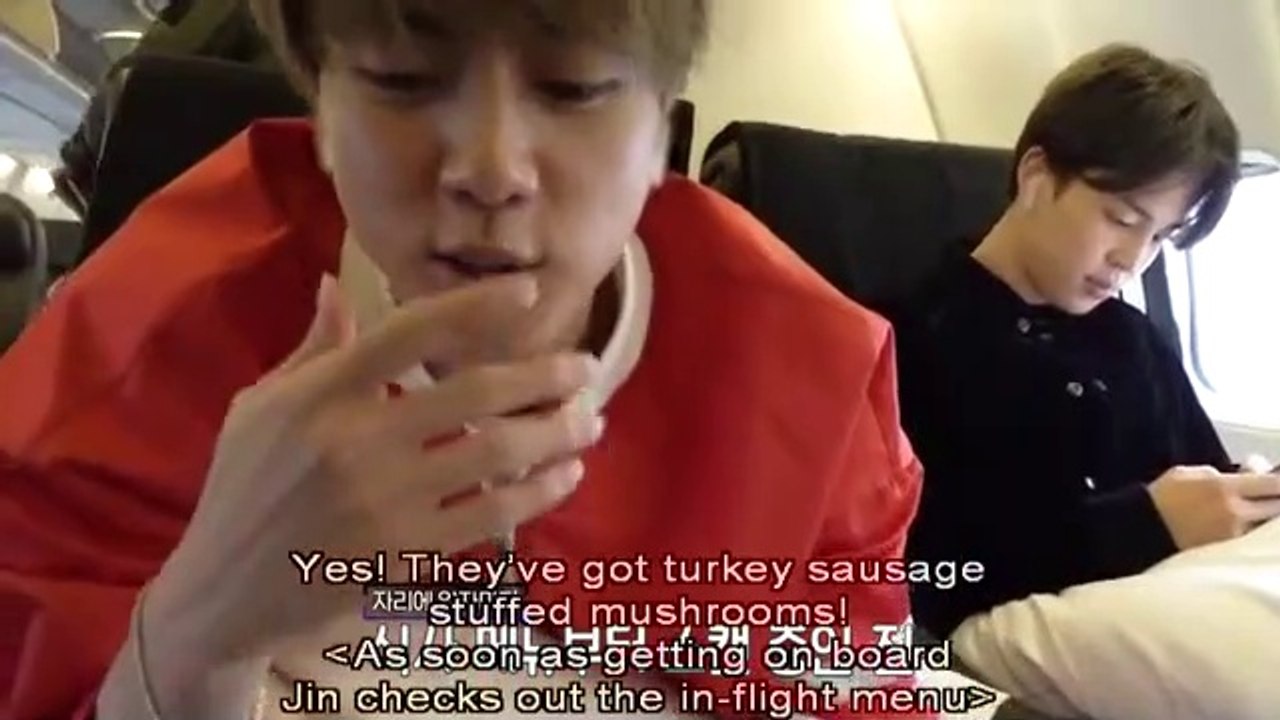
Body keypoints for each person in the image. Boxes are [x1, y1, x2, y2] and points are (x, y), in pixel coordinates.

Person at [0, 1, 924, 718]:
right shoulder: (126, 352)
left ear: (661, 134)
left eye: (573, 89)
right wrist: (197, 627)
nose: (490, 171)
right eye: (402, 80)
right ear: (320, 105)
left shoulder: (817, 386)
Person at [893, 43, 1280, 640]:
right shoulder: (908, 343)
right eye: (1122, 219)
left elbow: (1205, 481)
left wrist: (1247, 497)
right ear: (1036, 177)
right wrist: (1144, 524)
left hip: (1184, 602)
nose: (1134, 259)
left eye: (1161, 237)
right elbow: (922, 575)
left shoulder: (1133, 339)